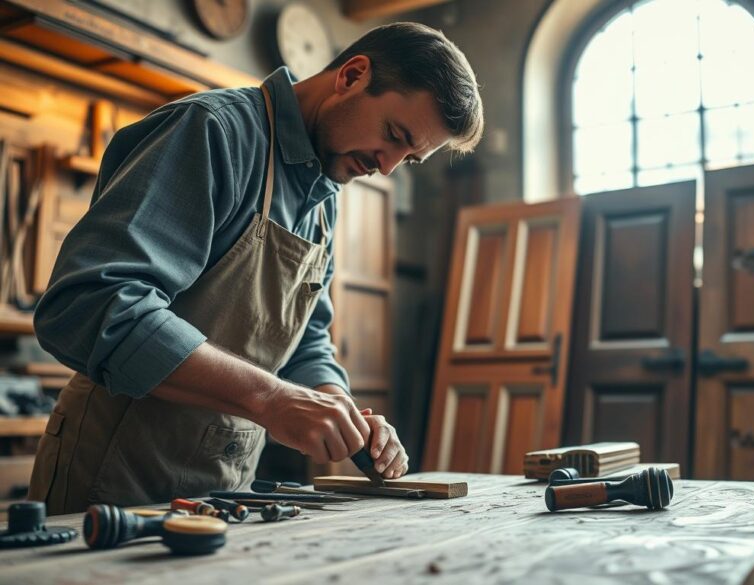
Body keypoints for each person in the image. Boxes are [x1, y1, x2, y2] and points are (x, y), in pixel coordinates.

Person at [27, 22, 484, 514]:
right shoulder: (213, 132)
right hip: (110, 478)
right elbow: (89, 305)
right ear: (352, 75)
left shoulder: (324, 196)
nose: (388, 166)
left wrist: (341, 411)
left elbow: (306, 340)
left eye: (410, 159)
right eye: (394, 135)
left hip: (223, 491)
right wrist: (271, 399)